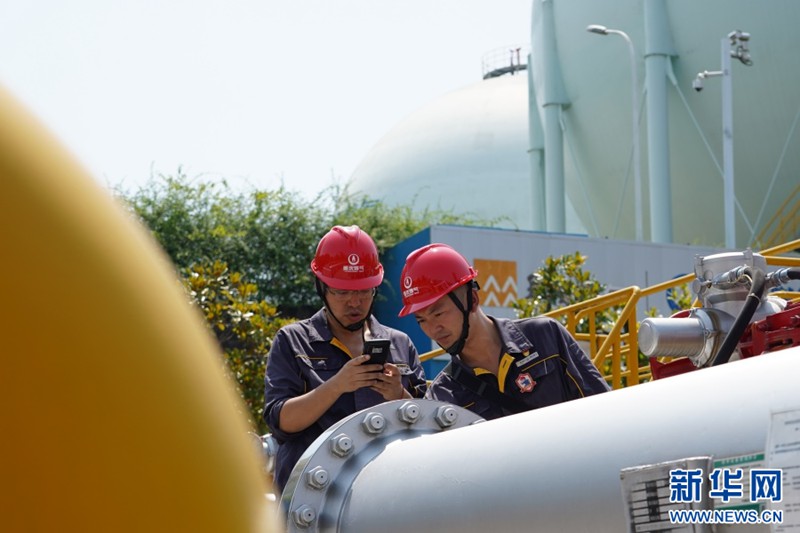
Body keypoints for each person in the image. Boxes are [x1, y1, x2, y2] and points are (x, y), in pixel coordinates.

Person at [263, 225, 427, 492]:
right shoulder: (293, 340)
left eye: (364, 291)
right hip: (314, 499)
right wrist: (337, 385)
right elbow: (281, 422)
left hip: (388, 495)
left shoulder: (399, 344)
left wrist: (399, 396)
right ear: (322, 288)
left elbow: (428, 426)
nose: (355, 302)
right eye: (342, 292)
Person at [398, 243, 609, 420]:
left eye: (438, 314)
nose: (432, 329)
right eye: (421, 320)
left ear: (472, 300)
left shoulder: (546, 337)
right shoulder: (443, 396)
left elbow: (603, 408)